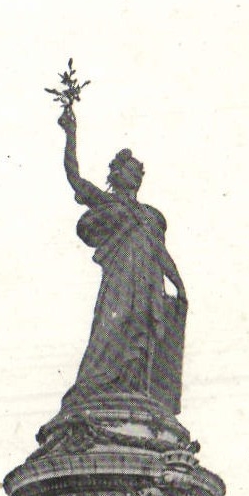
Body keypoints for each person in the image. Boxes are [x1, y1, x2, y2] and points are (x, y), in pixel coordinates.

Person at [58, 103, 188, 414]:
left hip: (146, 283)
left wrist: (179, 284)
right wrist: (70, 135)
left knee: (141, 335)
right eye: (133, 170)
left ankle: (132, 388)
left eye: (140, 172)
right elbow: (75, 179)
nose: (139, 175)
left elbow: (160, 252)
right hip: (120, 281)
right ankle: (100, 385)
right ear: (118, 174)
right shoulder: (108, 202)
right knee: (110, 328)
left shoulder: (150, 216)